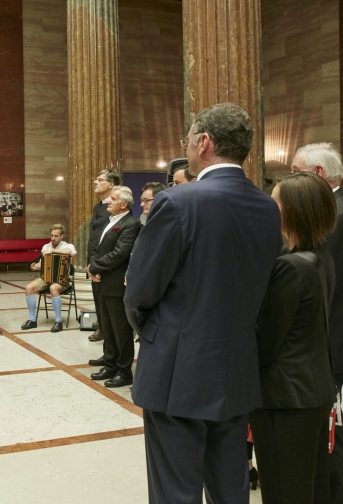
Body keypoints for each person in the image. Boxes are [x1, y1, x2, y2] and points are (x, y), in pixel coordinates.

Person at [124, 103, 282, 503]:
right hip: (235, 366)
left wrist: (153, 332)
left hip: (177, 368)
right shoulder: (267, 207)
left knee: (176, 489)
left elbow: (140, 290)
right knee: (231, 485)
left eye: (188, 140)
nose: (187, 147)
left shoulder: (178, 202)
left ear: (204, 142)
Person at [251, 172, 338, 504]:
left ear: (292, 210)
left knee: (284, 491)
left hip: (285, 397)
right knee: (309, 489)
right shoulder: (321, 258)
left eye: (275, 201)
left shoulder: (290, 267)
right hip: (311, 390)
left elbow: (266, 341)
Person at [291, 142, 343, 502]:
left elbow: (325, 282)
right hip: (320, 337)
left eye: (296, 172)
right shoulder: (333, 210)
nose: (292, 180)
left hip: (327, 339)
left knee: (329, 426)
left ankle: (332, 494)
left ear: (318, 174)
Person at [87, 186, 140, 388]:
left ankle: (124, 371)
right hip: (101, 282)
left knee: (120, 330)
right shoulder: (110, 222)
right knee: (107, 327)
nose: (108, 201)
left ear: (123, 204)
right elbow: (97, 248)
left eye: (113, 198)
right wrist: (92, 266)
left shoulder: (130, 224)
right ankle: (110, 364)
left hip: (116, 284)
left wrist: (95, 265)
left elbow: (120, 253)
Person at [21, 224, 77, 333]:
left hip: (62, 280)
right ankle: (32, 320)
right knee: (29, 288)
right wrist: (34, 266)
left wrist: (53, 251)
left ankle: (58, 321)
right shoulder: (46, 247)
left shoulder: (68, 246)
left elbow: (69, 252)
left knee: (53, 288)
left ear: (61, 236)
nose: (53, 238)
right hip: (46, 278)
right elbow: (42, 265)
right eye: (51, 235)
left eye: (56, 236)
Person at [87, 168, 119, 343]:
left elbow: (108, 238)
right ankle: (102, 327)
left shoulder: (113, 207)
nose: (96, 182)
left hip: (104, 262)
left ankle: (106, 331)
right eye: (96, 179)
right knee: (97, 298)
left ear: (111, 184)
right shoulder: (98, 206)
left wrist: (97, 263)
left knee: (105, 300)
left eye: (100, 180)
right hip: (94, 260)